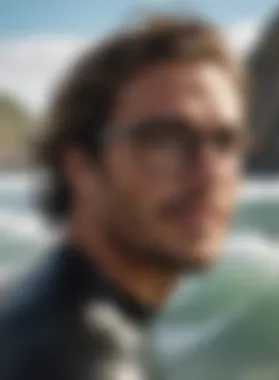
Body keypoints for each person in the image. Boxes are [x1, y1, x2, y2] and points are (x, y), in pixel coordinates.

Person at [0, 13, 248, 380]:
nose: (210, 173)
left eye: (225, 142)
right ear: (82, 167)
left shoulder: (42, 305)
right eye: (166, 139)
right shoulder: (77, 360)